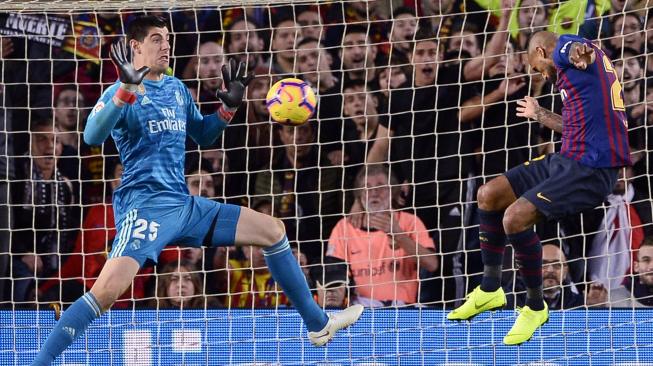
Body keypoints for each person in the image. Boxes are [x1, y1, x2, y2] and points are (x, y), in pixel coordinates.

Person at [31, 16, 363, 365]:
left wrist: (228, 108)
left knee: (273, 231)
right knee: (106, 293)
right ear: (135, 47)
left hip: (184, 205)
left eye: (168, 39)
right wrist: (125, 89)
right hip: (145, 208)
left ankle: (318, 324)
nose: (166, 46)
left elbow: (203, 135)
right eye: (157, 39)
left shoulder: (175, 88)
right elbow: (91, 137)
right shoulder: (120, 91)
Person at [447, 31, 631, 345]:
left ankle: (534, 306)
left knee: (515, 218)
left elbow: (579, 50)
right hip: (568, 158)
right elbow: (573, 127)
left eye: (537, 67)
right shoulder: (577, 83)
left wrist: (578, 54)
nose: (541, 74)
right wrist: (539, 114)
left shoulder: (565, 52)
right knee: (488, 195)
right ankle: (490, 288)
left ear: (542, 51)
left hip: (591, 169)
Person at [327, 165, 438, 307]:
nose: (374, 192)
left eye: (380, 186)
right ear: (360, 195)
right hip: (358, 310)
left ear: (392, 191)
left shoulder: (409, 221)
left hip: (403, 310)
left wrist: (399, 235)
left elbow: (432, 264)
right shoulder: (343, 227)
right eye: (367, 187)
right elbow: (332, 275)